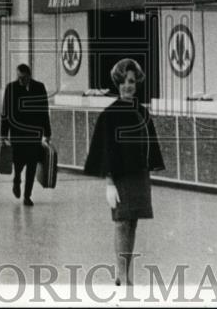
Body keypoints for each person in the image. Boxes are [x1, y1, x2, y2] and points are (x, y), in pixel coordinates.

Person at [84, 58, 165, 287]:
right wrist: (109, 182)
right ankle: (121, 275)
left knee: (132, 223)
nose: (128, 86)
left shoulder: (141, 111)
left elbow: (149, 145)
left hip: (139, 176)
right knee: (121, 223)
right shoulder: (110, 114)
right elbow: (106, 149)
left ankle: (126, 272)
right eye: (124, 82)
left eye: (131, 81)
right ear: (117, 84)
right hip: (120, 177)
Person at [0, 63, 51, 206]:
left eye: (23, 77)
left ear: (29, 75)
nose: (20, 80)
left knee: (32, 164)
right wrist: (3, 134)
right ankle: (16, 179)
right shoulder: (11, 88)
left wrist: (47, 132)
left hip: (34, 133)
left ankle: (27, 195)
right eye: (18, 77)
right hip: (18, 133)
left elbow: (44, 111)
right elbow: (6, 112)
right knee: (19, 161)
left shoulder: (39, 87)